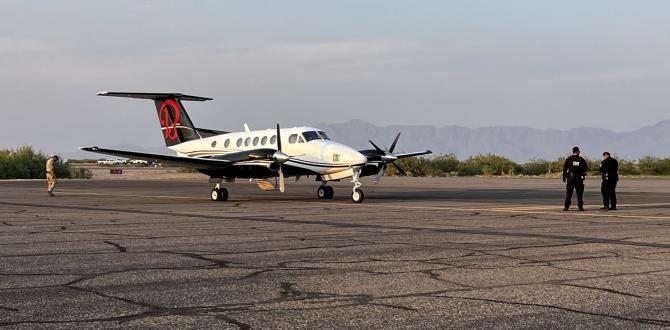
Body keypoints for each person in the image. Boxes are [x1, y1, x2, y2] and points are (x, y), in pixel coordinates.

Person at [563, 147, 588, 211]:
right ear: (577, 152)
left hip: (570, 178)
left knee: (569, 193)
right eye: (579, 151)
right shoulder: (581, 159)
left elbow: (565, 168)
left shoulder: (569, 159)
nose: (579, 152)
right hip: (578, 177)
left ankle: (566, 207)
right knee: (579, 193)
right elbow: (585, 168)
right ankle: (580, 207)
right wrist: (582, 174)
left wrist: (564, 176)